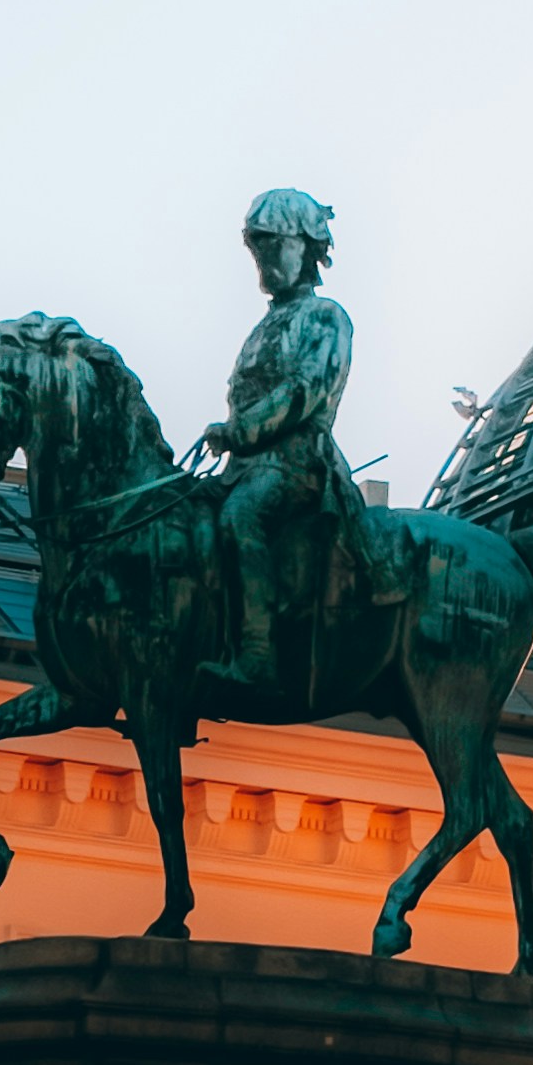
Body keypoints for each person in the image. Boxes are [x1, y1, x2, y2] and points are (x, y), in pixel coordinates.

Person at [198, 187, 361, 689]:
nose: (265, 260)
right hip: (246, 466)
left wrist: (240, 431)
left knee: (241, 517)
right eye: (258, 249)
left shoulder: (326, 317)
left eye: (274, 246)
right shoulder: (267, 325)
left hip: (298, 465)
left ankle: (257, 653)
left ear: (305, 249)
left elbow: (306, 391)